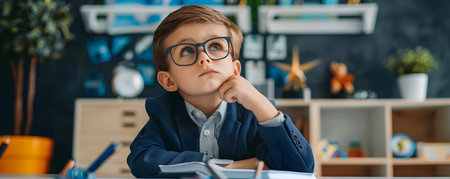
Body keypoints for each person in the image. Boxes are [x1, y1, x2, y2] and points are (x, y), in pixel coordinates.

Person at [127, 5, 314, 177]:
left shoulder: (255, 113)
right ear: (168, 81)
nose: (204, 57)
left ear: (235, 70)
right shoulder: (163, 113)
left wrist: (264, 106)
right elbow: (142, 160)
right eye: (186, 50)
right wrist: (221, 167)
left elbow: (300, 168)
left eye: (215, 46)